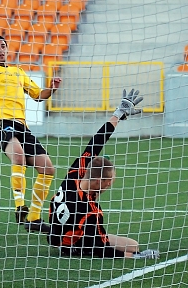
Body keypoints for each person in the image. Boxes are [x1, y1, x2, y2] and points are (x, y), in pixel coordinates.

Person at [47, 89, 160, 259]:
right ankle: (78, 249)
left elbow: (96, 142)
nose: (109, 186)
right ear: (99, 181)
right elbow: (101, 249)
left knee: (132, 245)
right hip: (74, 241)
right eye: (109, 182)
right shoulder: (91, 210)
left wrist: (118, 114)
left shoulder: (75, 174)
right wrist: (136, 256)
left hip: (56, 235)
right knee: (132, 247)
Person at [0, 35, 62, 233]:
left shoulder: (18, 72)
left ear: (8, 50)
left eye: (3, 46)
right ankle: (19, 206)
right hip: (2, 124)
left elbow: (39, 95)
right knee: (19, 156)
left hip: (22, 127)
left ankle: (33, 218)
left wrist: (52, 88)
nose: (0, 49)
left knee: (48, 168)